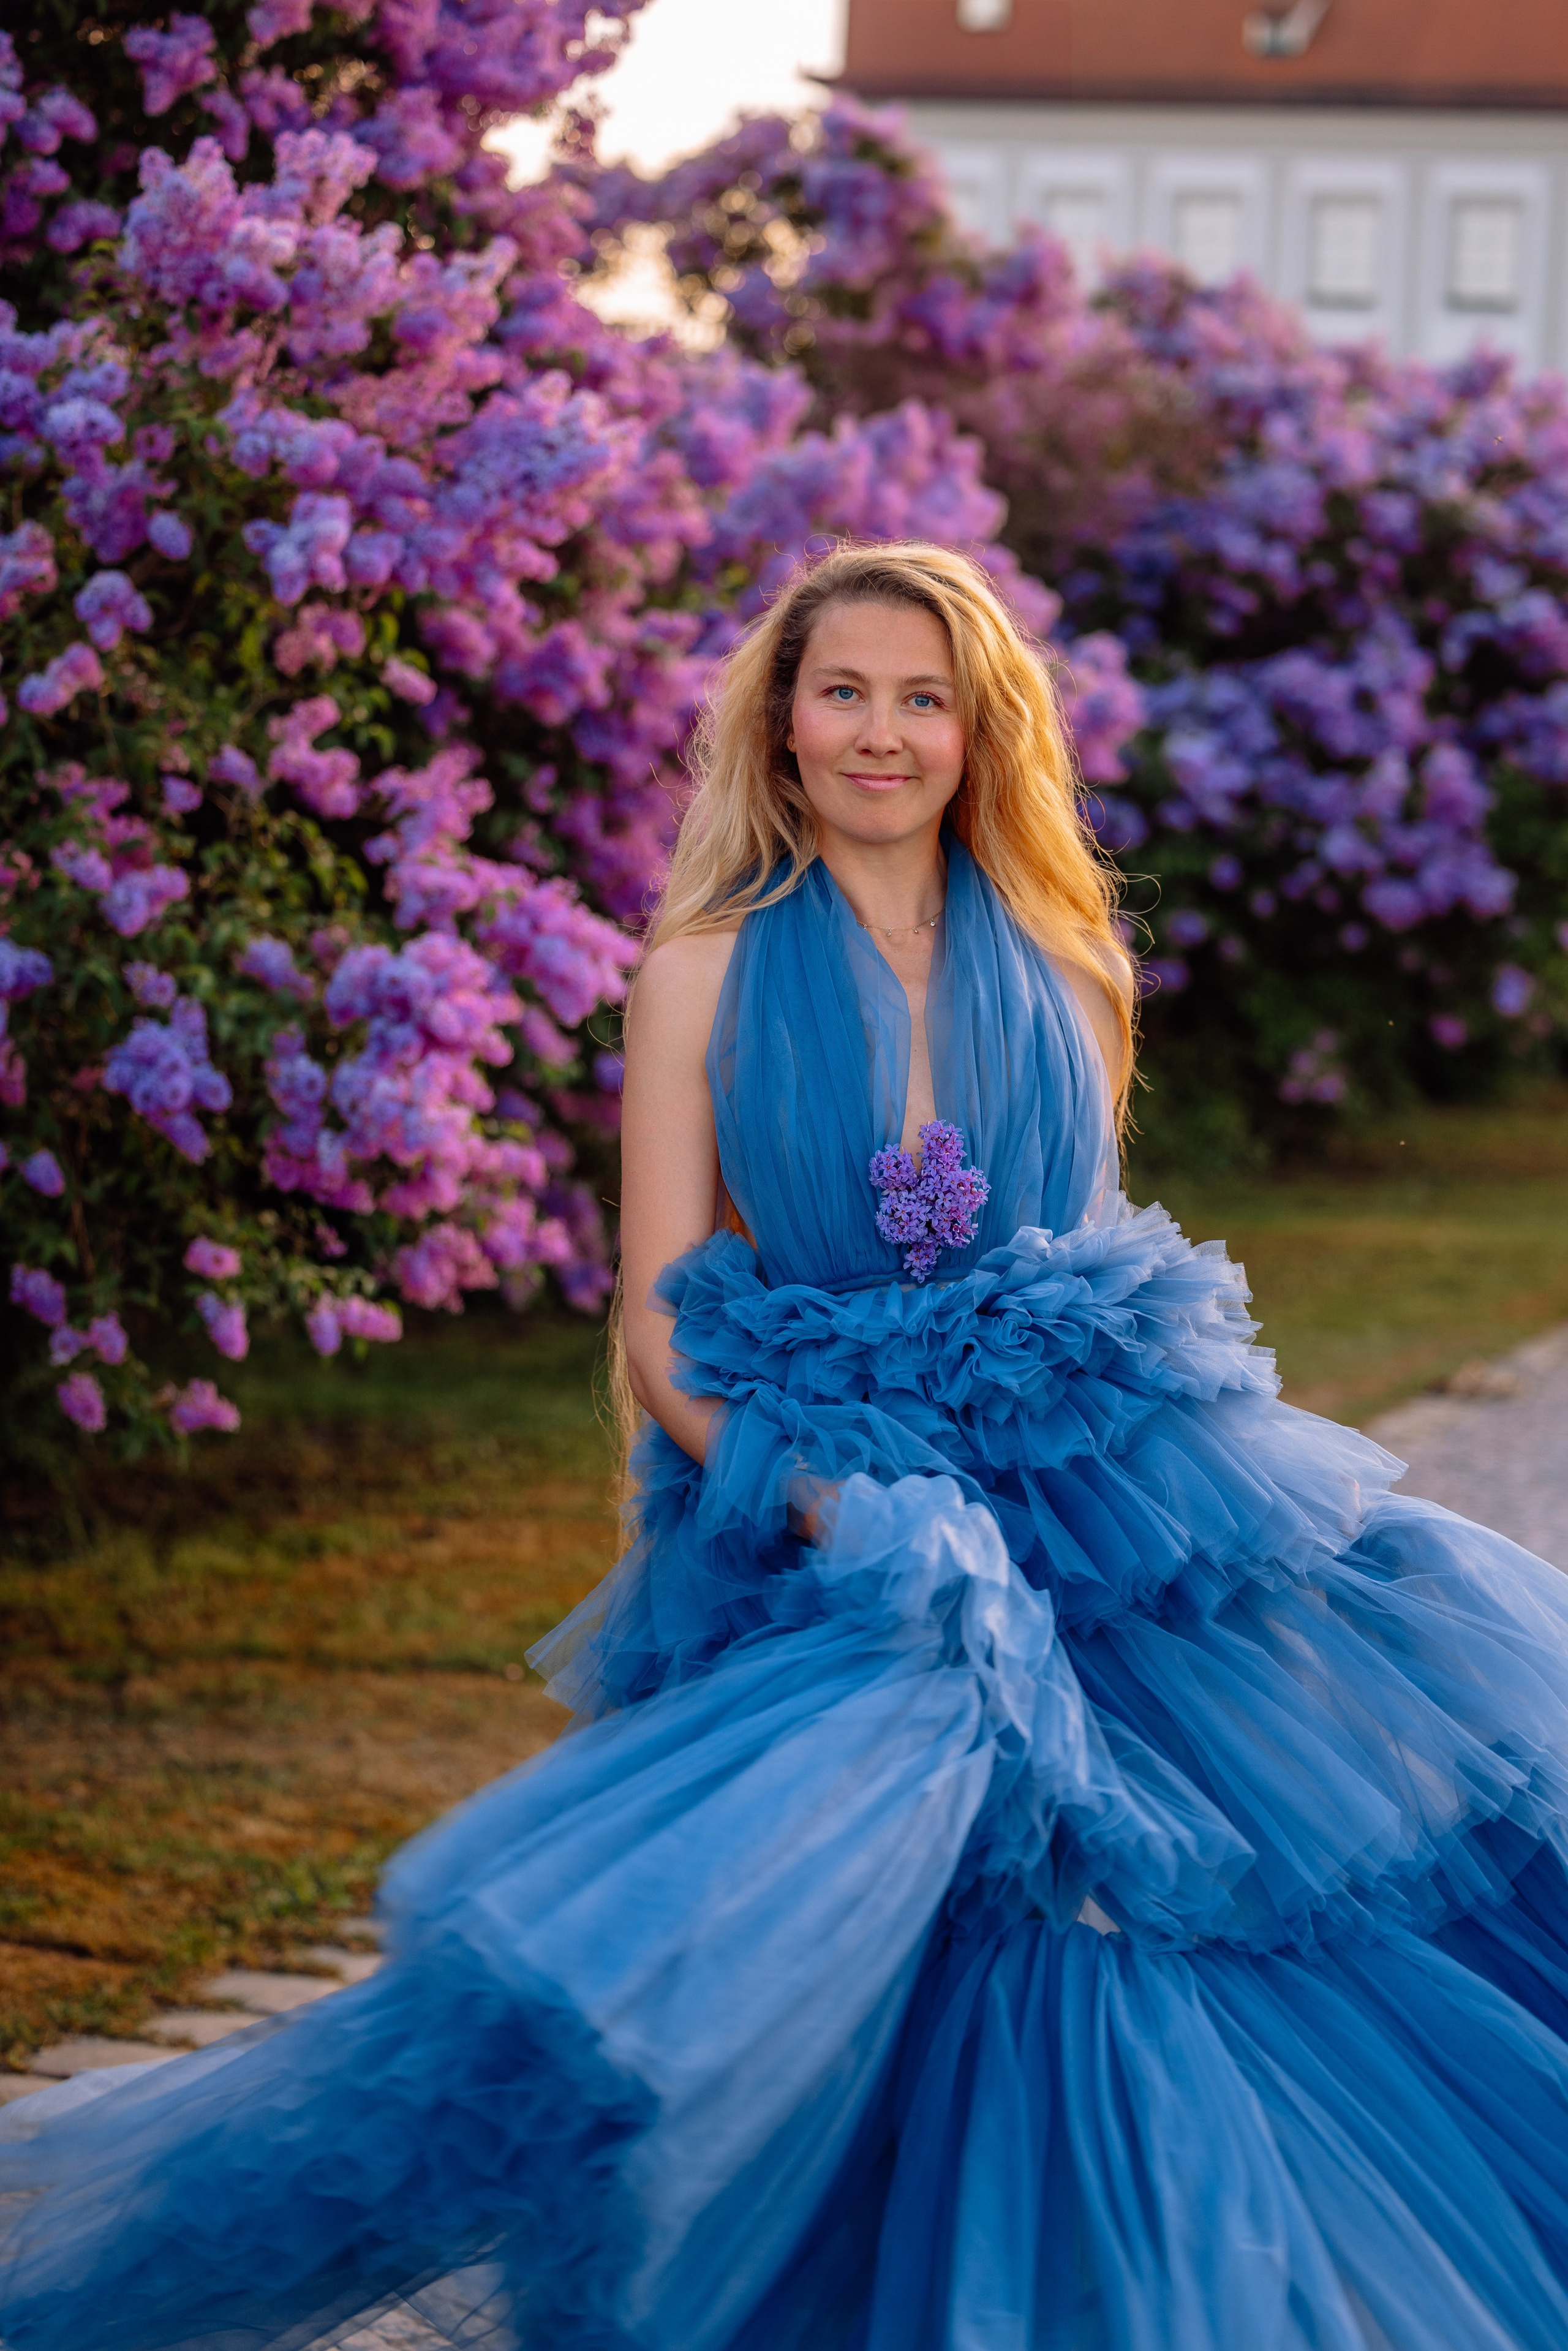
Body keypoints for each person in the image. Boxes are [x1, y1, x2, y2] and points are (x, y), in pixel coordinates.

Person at [6, 542, 1568, 2351]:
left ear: (981, 732)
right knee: (862, 1928)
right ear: (783, 721)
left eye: (925, 699)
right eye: (845, 693)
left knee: (1161, 1908)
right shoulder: (704, 971)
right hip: (825, 1497)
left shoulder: (1073, 964)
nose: (882, 734)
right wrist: (841, 1506)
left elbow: (1087, 1268)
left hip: (1097, 1500)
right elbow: (660, 1321)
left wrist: (1112, 1484)